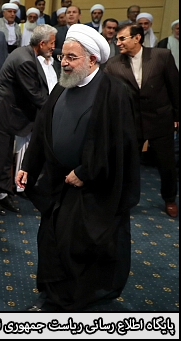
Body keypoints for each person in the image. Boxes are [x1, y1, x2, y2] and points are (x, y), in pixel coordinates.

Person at [16, 24, 140, 312]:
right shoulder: (63, 85)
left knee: (74, 246)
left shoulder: (114, 92)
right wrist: (29, 166)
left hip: (90, 188)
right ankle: (51, 294)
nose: (65, 63)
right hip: (57, 182)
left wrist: (86, 172)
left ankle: (69, 300)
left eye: (72, 58)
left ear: (92, 60)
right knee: (50, 240)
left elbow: (119, 146)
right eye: (63, 56)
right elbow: (42, 129)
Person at [105, 23, 179, 217]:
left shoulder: (162, 56)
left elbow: (175, 87)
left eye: (122, 38)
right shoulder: (113, 64)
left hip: (160, 120)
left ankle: (170, 198)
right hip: (131, 123)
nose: (117, 43)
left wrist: (176, 116)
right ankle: (125, 200)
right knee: (128, 165)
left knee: (167, 164)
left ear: (137, 38)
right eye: (117, 39)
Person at [0, 25, 59, 216]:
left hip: (9, 112)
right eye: (51, 43)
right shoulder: (25, 60)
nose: (53, 47)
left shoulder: (26, 53)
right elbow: (34, 95)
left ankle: (3, 193)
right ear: (41, 43)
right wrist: (57, 108)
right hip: (2, 112)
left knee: (5, 158)